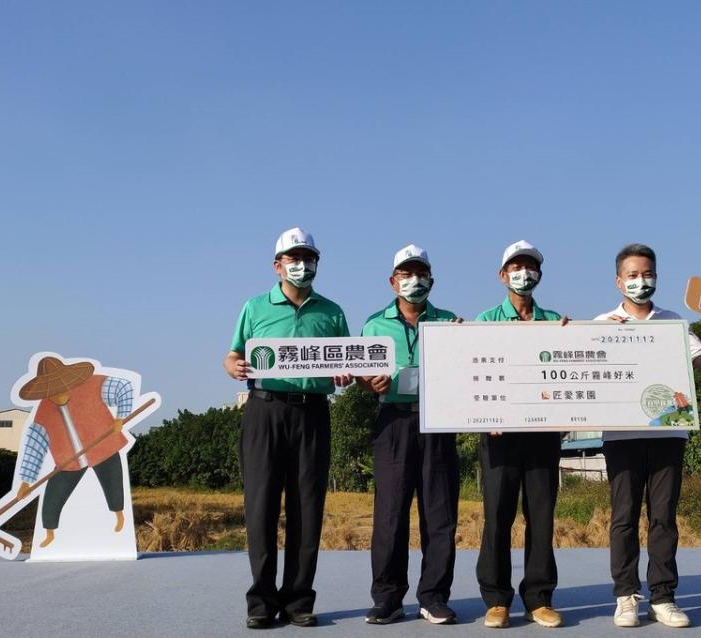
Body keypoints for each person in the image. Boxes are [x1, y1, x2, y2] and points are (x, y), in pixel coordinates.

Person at [594, 243, 701, 629]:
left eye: (647, 273)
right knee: (624, 518)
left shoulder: (674, 322)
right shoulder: (601, 323)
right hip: (621, 435)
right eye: (632, 275)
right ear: (618, 280)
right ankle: (626, 596)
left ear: (657, 277)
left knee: (663, 517)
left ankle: (662, 597)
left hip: (667, 432)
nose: (640, 281)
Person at [224, 227, 352, 629]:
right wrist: (231, 366)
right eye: (293, 258)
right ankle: (261, 599)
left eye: (308, 258)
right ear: (278, 265)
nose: (301, 265)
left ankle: (299, 598)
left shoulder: (331, 312)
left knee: (307, 507)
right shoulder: (255, 307)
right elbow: (233, 354)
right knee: (260, 506)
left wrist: (346, 374)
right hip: (264, 410)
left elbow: (343, 360)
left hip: (312, 412)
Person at [357, 244, 461, 626]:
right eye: (405, 274)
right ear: (392, 280)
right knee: (390, 514)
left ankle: (433, 596)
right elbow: (364, 380)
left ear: (431, 280)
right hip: (393, 423)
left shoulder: (451, 322)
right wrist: (371, 383)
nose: (413, 280)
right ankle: (387, 598)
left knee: (440, 514)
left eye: (420, 274)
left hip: (438, 422)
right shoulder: (373, 325)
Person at [475, 240, 566, 629]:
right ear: (502, 275)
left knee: (541, 515)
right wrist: (483, 415)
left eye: (530, 267)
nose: (523, 273)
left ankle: (538, 597)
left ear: (539, 275)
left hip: (542, 434)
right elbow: (470, 379)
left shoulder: (557, 322)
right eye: (516, 267)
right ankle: (497, 599)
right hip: (498, 434)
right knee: (497, 514)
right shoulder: (483, 322)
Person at [15, 356, 134, 548]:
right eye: (51, 387)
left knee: (114, 485)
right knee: (54, 495)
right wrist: (25, 482)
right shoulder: (43, 413)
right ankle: (50, 533)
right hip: (68, 461)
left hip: (103, 447)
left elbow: (124, 387)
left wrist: (121, 417)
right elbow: (34, 447)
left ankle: (119, 516)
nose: (57, 391)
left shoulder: (92, 385)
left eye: (59, 384)